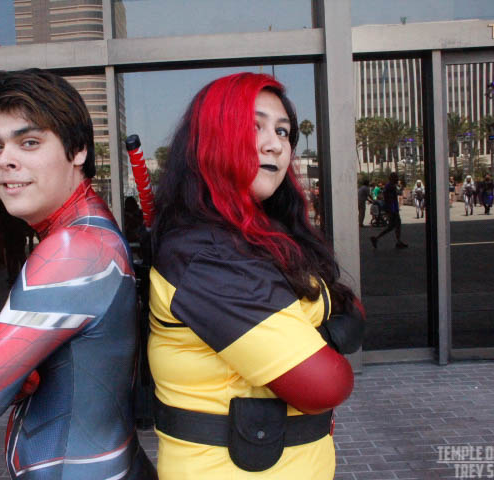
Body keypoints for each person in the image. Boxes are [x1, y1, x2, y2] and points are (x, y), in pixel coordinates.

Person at [148, 73, 364, 479]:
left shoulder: (267, 234)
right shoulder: (208, 255)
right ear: (209, 140)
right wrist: (327, 333)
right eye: (254, 127)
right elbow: (326, 386)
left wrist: (314, 335)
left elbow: (351, 308)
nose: (275, 144)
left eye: (282, 131)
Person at [0, 69, 156, 479]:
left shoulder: (73, 248)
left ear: (77, 150)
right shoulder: (87, 227)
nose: (5, 160)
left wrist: (2, 361)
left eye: (29, 142)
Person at [371, 172, 408, 249]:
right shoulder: (391, 187)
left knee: (393, 226)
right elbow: (391, 200)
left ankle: (378, 238)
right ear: (392, 178)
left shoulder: (388, 186)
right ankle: (377, 238)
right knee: (394, 225)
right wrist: (393, 210)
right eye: (396, 177)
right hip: (392, 210)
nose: (397, 179)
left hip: (390, 209)